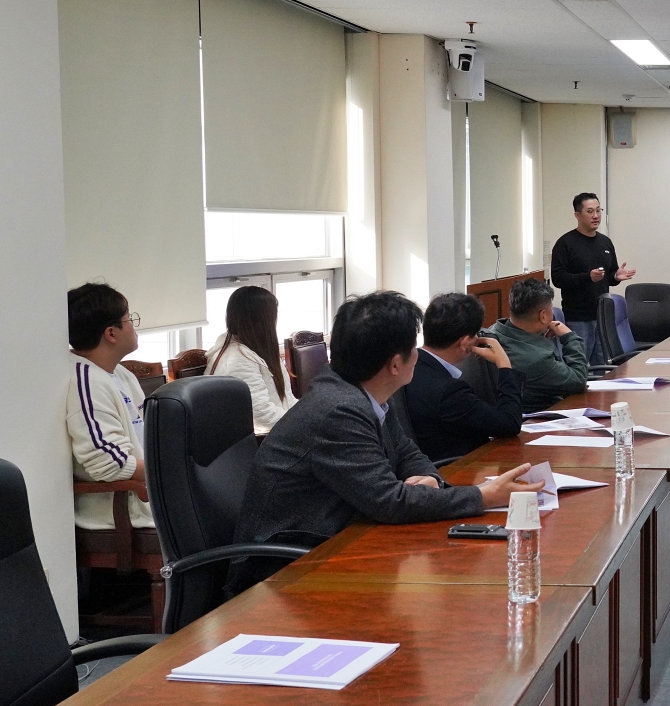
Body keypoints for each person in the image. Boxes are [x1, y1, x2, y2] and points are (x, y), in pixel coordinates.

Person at [234, 292, 538, 555]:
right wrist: (483, 496)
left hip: (339, 536)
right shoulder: (338, 410)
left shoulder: (362, 389)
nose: (418, 354)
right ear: (395, 364)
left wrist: (428, 477)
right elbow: (389, 501)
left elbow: (406, 451)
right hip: (285, 564)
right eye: (413, 348)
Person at [64, 282, 153, 531]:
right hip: (123, 512)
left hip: (153, 496)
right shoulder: (84, 381)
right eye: (129, 319)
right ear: (111, 333)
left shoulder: (121, 374)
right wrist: (167, 471)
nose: (134, 326)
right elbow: (109, 461)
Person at [402, 292, 526, 462]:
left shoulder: (411, 368)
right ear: (465, 343)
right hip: (459, 468)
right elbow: (510, 424)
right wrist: (504, 365)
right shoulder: (449, 392)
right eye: (476, 335)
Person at [550, 192, 634, 366]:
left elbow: (610, 275)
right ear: (577, 215)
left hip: (603, 317)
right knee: (579, 365)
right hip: (578, 318)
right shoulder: (565, 243)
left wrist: (616, 276)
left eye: (598, 210)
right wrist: (587, 277)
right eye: (590, 211)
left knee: (604, 366)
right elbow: (558, 278)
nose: (596, 216)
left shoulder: (605, 242)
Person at [485, 276, 592, 413]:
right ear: (543, 316)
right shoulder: (538, 358)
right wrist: (569, 337)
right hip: (541, 417)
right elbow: (578, 380)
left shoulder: (492, 331)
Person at [207, 285, 298, 436]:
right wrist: (302, 422)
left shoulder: (258, 351)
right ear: (261, 321)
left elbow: (287, 400)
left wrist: (307, 415)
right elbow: (262, 416)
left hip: (276, 433)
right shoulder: (239, 360)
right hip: (260, 441)